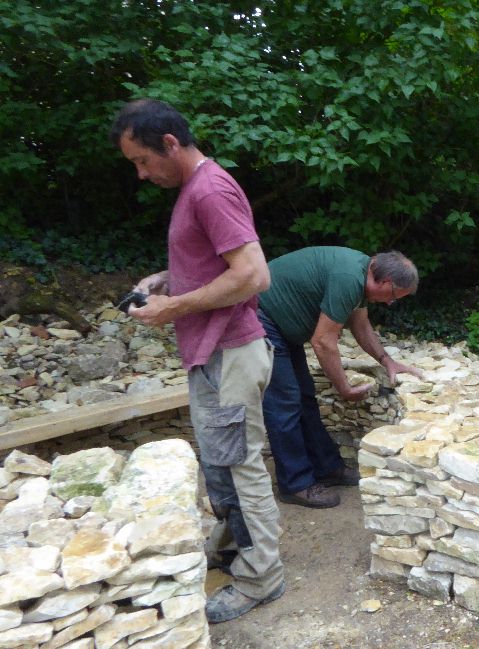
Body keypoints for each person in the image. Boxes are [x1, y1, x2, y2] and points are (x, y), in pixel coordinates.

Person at [110, 99, 284, 624]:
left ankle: (262, 577)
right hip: (214, 352)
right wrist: (167, 281)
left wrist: (173, 307)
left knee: (240, 463)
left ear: (169, 143)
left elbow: (254, 275)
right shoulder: (195, 190)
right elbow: (216, 262)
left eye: (143, 161)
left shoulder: (209, 189)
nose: (141, 175)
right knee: (221, 463)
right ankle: (233, 546)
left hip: (230, 352)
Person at [257, 246, 424, 508]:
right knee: (285, 403)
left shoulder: (361, 275)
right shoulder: (348, 278)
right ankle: (295, 484)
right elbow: (323, 341)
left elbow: (360, 324)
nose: (391, 303)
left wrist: (387, 361)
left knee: (304, 398)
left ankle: (326, 467)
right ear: (385, 281)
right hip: (260, 319)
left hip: (280, 327)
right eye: (393, 297)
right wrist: (343, 387)